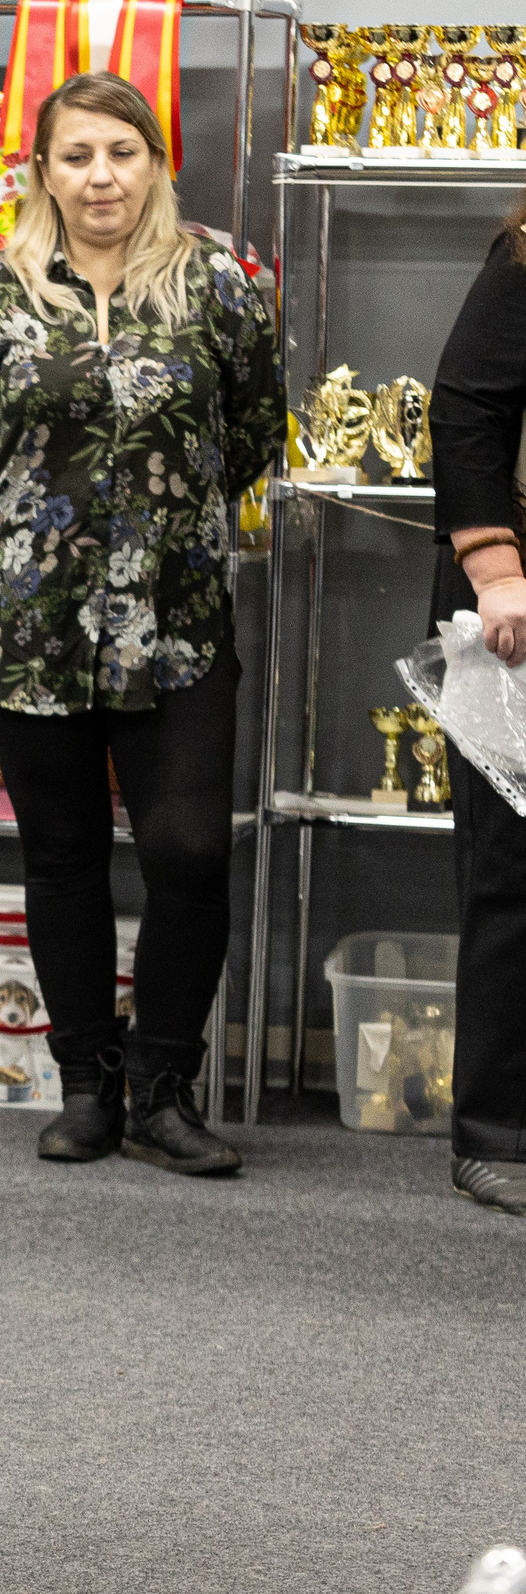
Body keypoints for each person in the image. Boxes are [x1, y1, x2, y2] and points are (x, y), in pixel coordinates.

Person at [0, 72, 282, 1177]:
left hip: (176, 620)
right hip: (27, 621)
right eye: (77, 155)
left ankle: (163, 1092)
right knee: (63, 855)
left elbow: (255, 430)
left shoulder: (217, 284)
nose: (100, 177)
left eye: (122, 153)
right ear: (43, 170)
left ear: (156, 164)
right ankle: (86, 1086)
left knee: (189, 854)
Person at [425, 192, 526, 1213]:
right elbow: (464, 409)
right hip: (515, 613)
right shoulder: (524, 255)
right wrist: (495, 567)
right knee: (511, 870)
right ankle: (496, 1130)